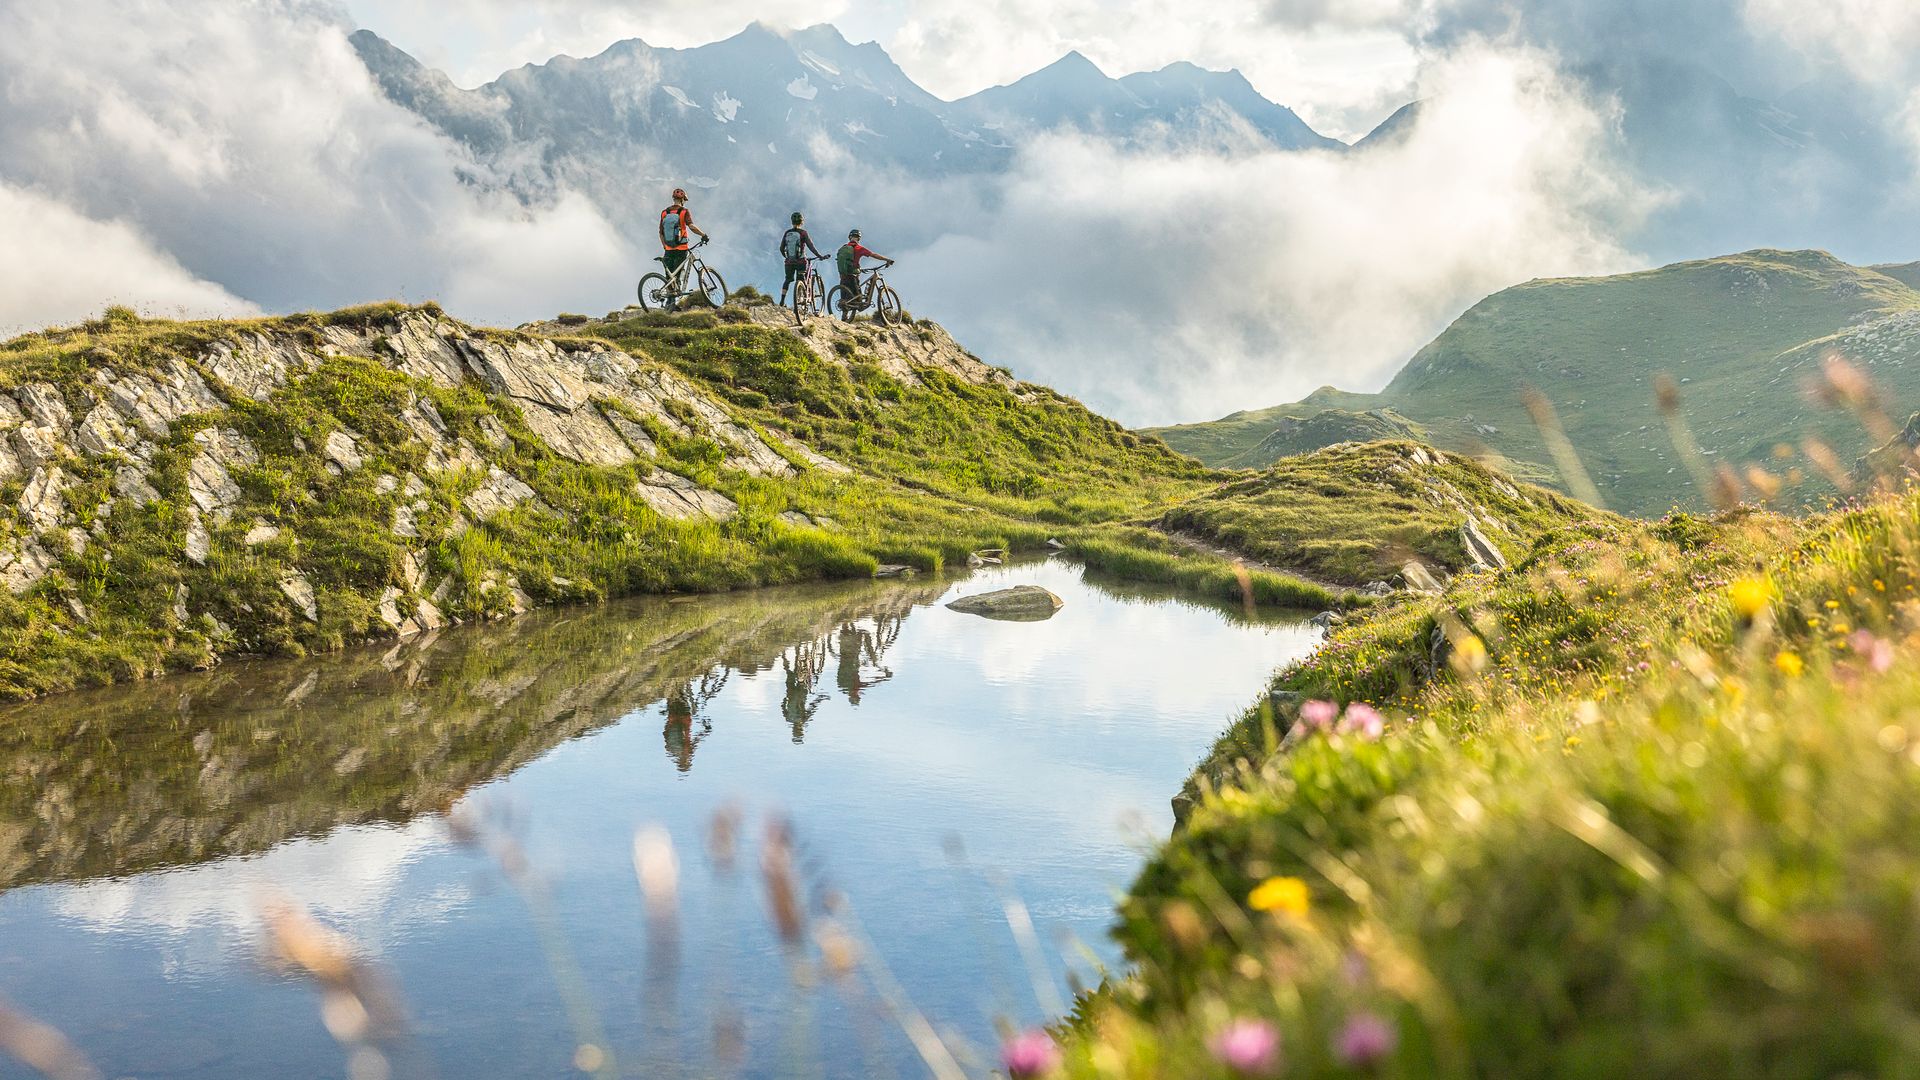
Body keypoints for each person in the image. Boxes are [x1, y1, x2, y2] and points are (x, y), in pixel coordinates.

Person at [834, 229, 892, 320]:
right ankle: (856, 309)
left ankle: (844, 317)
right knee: (859, 299)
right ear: (859, 238)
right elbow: (874, 255)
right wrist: (887, 260)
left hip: (843, 275)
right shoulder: (859, 248)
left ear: (850, 237)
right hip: (853, 275)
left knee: (845, 297)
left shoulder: (843, 248)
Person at [658, 187, 709, 284]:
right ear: (682, 200)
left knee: (669, 277)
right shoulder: (684, 211)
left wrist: (665, 246)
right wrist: (703, 235)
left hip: (668, 249)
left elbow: (661, 232)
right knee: (677, 276)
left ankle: (670, 297)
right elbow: (691, 227)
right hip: (681, 248)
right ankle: (675, 292)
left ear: (673, 199)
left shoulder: (664, 213)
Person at [776, 211, 825, 307]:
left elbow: (781, 248)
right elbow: (811, 246)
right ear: (802, 222)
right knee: (801, 280)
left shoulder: (787, 233)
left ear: (792, 222)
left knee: (787, 280)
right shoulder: (803, 233)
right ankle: (799, 302)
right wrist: (819, 256)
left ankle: (782, 301)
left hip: (789, 262)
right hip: (801, 262)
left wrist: (788, 257)